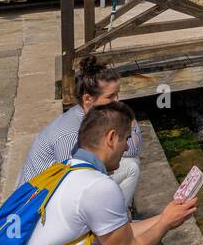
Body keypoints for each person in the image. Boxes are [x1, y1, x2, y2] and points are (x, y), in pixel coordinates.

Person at [17, 101, 193, 245]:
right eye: (126, 138)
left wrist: (166, 216)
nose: (126, 147)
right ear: (111, 138)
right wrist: (165, 223)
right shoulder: (98, 186)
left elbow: (118, 233)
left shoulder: (65, 169)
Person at [18, 55, 143, 207]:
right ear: (87, 99)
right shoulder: (70, 134)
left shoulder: (96, 118)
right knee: (123, 172)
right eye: (110, 96)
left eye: (117, 94)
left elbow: (133, 150)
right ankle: (116, 222)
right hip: (37, 202)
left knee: (131, 164)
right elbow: (73, 181)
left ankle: (118, 219)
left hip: (59, 186)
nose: (117, 101)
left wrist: (128, 120)